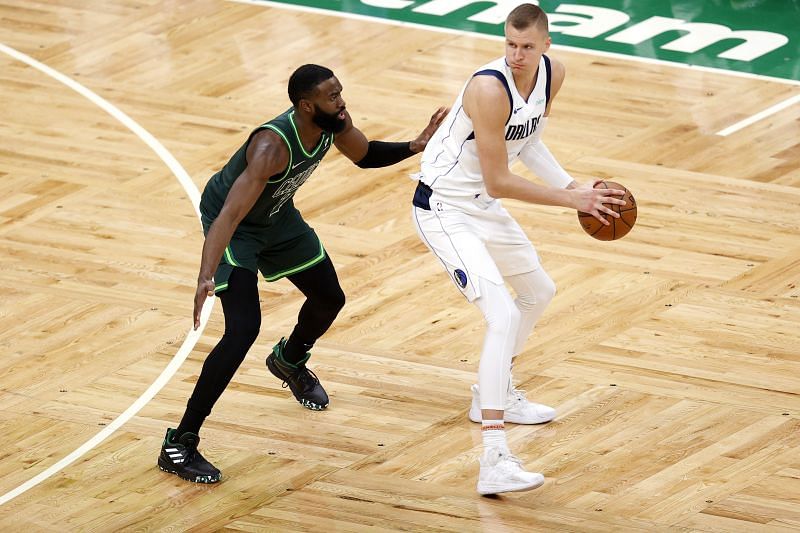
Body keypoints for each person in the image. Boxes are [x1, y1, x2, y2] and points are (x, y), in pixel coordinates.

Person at [158, 64, 447, 484]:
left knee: (330, 298)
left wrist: (416, 144)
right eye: (332, 96)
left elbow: (365, 156)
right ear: (306, 105)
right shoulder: (271, 147)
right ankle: (180, 442)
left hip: (277, 218)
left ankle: (289, 360)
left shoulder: (334, 123)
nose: (342, 101)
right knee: (241, 330)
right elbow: (229, 215)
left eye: (340, 92)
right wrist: (206, 274)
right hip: (235, 229)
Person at [410, 4, 625, 496]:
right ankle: (494, 458)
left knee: (539, 291)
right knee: (502, 316)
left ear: (546, 45)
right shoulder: (488, 88)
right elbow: (500, 179)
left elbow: (526, 144)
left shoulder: (553, 73)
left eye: (527, 46)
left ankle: (495, 392)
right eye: (510, 44)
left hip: (481, 204)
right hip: (444, 208)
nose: (516, 54)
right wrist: (572, 198)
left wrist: (572, 183)